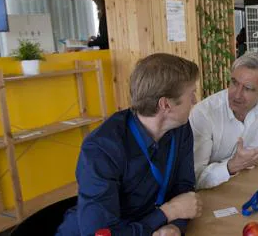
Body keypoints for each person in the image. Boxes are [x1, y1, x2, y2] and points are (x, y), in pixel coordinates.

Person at [56, 53, 202, 236]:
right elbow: (101, 234)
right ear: (165, 105)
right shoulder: (101, 149)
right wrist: (167, 213)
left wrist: (175, 226)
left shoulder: (180, 128)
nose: (195, 101)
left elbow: (184, 191)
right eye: (191, 94)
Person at [189, 51, 258, 189]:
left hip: (240, 184)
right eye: (234, 83)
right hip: (208, 194)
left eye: (247, 88)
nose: (237, 94)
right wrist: (232, 165)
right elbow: (193, 179)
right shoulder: (204, 113)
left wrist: (230, 166)